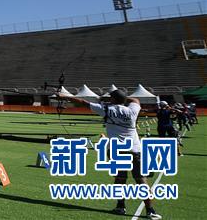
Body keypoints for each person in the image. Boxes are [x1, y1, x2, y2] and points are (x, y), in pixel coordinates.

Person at [60, 89, 161, 219]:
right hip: (135, 150)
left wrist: (64, 96)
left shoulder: (107, 110)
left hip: (117, 150)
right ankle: (150, 210)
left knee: (120, 179)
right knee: (141, 181)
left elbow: (83, 102)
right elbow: (136, 100)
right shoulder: (132, 110)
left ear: (113, 99)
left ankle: (120, 207)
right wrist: (122, 99)